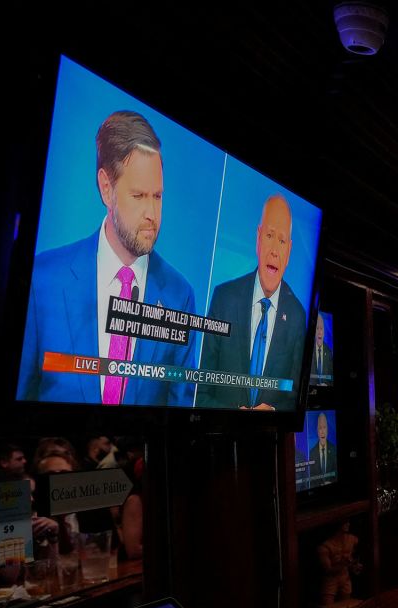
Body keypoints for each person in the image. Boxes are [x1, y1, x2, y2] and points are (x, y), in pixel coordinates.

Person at [18, 110, 198, 406]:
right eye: (139, 196)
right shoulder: (43, 280)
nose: (152, 215)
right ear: (106, 188)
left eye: (158, 196)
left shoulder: (181, 296)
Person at [196, 195, 308, 410]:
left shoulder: (297, 316)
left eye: (282, 241)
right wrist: (232, 416)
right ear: (258, 238)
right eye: (269, 235)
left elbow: (295, 397)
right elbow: (200, 391)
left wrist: (274, 412)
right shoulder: (224, 298)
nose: (275, 250)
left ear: (289, 251)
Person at [307, 413, 337, 479]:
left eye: (324, 427)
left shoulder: (334, 450)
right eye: (320, 428)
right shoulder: (312, 453)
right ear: (317, 431)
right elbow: (311, 480)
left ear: (327, 430)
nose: (322, 431)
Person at [311, 313, 333, 383]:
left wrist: (326, 384)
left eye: (321, 328)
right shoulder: (308, 350)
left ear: (324, 331)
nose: (319, 332)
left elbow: (331, 377)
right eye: (317, 328)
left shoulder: (329, 351)